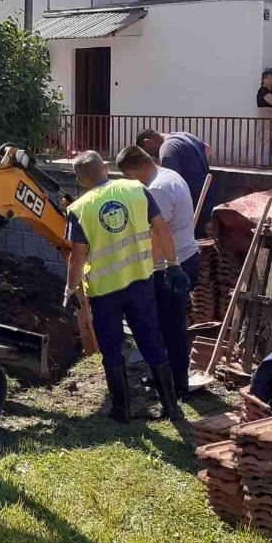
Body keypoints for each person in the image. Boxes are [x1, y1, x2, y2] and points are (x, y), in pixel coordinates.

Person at [63, 150, 191, 424]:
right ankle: (172, 408)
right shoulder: (137, 190)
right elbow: (161, 229)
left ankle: (122, 410)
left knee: (111, 348)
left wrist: (70, 290)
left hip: (104, 291)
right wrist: (173, 264)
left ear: (81, 180)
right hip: (140, 283)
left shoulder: (80, 208)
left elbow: (77, 256)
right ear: (105, 168)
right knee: (153, 342)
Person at [116, 145, 200, 398]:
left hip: (171, 267)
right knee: (168, 325)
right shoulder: (171, 176)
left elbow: (157, 234)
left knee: (169, 326)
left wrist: (146, 269)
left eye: (128, 177)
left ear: (132, 171)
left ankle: (175, 385)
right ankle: (166, 379)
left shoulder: (157, 189)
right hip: (185, 258)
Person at [135, 128, 212, 238]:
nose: (153, 157)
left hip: (192, 205)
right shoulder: (185, 135)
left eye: (149, 153)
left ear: (147, 142)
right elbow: (207, 148)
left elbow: (168, 186)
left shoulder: (167, 150)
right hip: (206, 197)